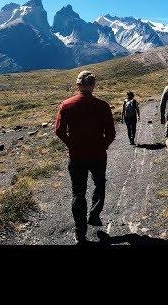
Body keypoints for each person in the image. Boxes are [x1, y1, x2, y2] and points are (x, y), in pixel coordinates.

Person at [55, 70, 115, 244]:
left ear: (78, 85)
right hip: (98, 155)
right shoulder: (103, 105)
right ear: (93, 85)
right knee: (100, 184)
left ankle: (80, 231)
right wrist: (101, 147)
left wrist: (71, 144)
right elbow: (111, 133)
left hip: (76, 156)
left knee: (78, 193)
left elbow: (59, 131)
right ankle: (94, 215)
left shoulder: (66, 105)